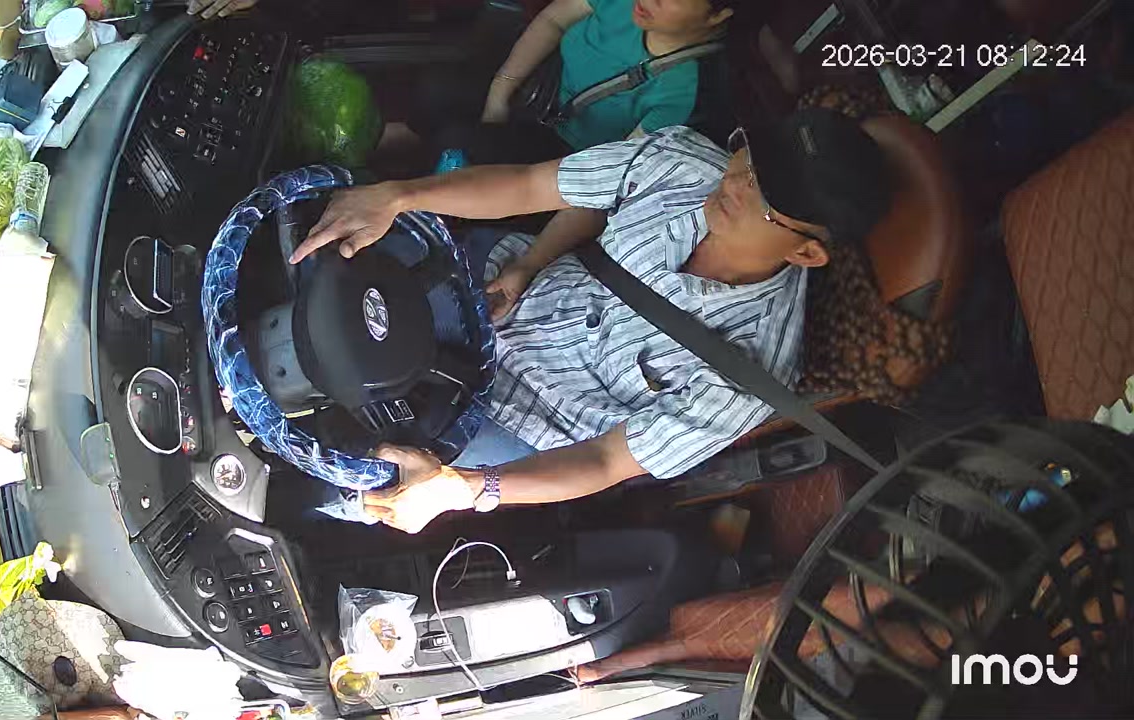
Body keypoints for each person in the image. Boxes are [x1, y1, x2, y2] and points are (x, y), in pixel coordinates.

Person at [290, 109, 892, 534]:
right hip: (496, 288)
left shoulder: (748, 373)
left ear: (806, 252)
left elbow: (605, 462)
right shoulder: (681, 163)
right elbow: (532, 184)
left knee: (351, 483)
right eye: (750, 160)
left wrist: (464, 488)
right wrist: (400, 197)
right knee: (315, 269)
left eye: (767, 198)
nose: (737, 183)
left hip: (523, 413)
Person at [403, 0, 739, 166]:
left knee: (458, 148)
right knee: (434, 88)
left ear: (718, 15)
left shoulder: (686, 90)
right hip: (540, 93)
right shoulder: (632, 6)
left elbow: (615, 171)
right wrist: (499, 94)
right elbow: (553, 20)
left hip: (565, 156)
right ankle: (414, 144)